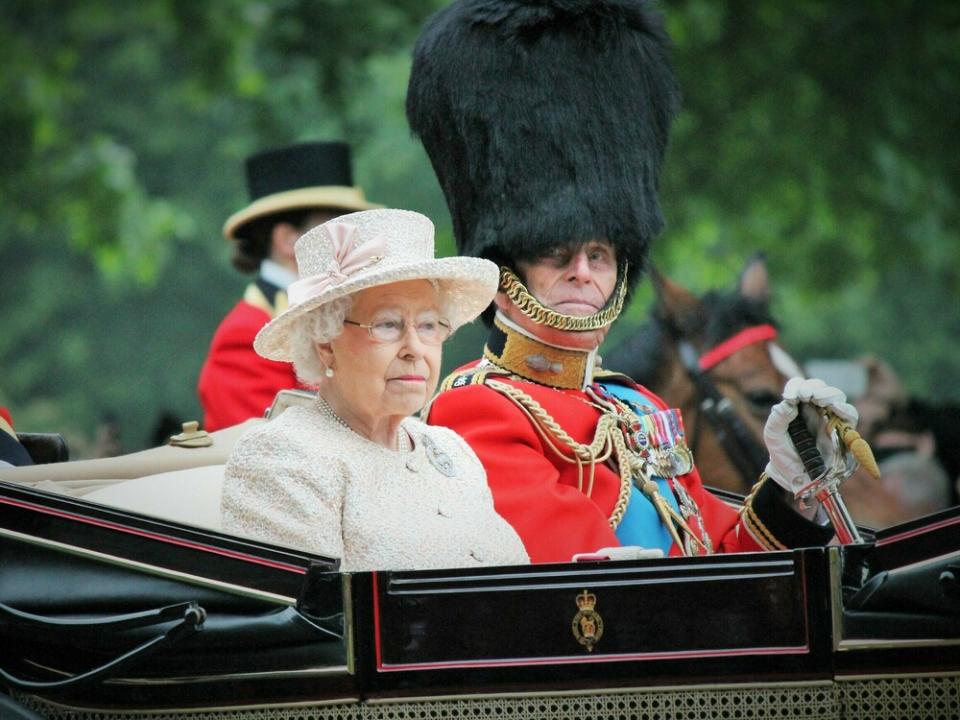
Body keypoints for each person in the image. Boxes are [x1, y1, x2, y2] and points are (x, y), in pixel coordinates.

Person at [408, 0, 859, 562]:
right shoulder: (477, 407)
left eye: (600, 254)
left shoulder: (637, 405)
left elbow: (721, 548)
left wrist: (790, 491)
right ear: (503, 273)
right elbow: (592, 588)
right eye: (555, 252)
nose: (582, 271)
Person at [221, 208, 529, 571]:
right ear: (325, 342)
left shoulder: (452, 451)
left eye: (429, 325)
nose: (415, 347)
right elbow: (309, 623)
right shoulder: (281, 459)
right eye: (387, 324)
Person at [198, 141, 380, 432]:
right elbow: (265, 452)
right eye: (338, 227)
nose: (354, 241)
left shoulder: (343, 314)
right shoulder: (246, 334)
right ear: (287, 240)